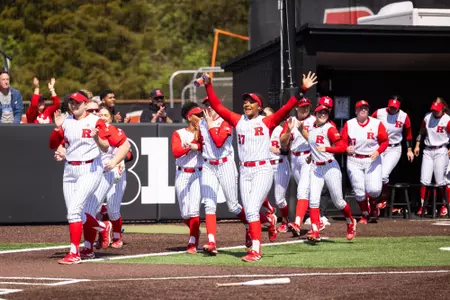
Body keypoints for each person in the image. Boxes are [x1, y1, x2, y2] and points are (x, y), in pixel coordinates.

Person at [203, 71, 317, 262]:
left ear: (259, 106)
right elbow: (216, 105)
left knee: (252, 209)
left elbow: (287, 107)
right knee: (249, 211)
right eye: (245, 101)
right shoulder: (237, 120)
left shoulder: (267, 121)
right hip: (245, 171)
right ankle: (267, 225)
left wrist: (303, 89)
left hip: (262, 169)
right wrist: (208, 85)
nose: (247, 104)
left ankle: (256, 249)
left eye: (251, 101)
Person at [49, 92, 113, 264]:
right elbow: (53, 144)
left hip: (90, 167)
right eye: (71, 102)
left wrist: (96, 138)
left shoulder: (95, 120)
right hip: (70, 169)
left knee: (74, 211)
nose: (74, 105)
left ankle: (74, 252)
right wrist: (57, 128)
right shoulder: (66, 121)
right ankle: (102, 226)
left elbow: (106, 147)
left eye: (77, 103)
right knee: (75, 213)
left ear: (85, 104)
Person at [294, 104, 356, 242]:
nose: (323, 115)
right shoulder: (312, 129)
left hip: (330, 166)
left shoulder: (330, 128)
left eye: (326, 113)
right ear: (315, 114)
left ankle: (350, 221)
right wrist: (312, 155)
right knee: (314, 201)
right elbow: (314, 146)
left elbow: (342, 147)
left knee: (338, 202)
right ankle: (315, 231)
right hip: (316, 168)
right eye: (320, 113)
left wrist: (328, 148)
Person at [199, 96, 251, 255]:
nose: (209, 108)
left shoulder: (225, 120)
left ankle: (250, 225)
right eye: (206, 105)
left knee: (233, 206)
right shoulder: (202, 122)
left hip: (225, 164)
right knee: (209, 204)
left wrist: (209, 125)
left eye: (212, 105)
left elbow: (219, 141)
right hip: (208, 165)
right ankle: (211, 242)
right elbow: (203, 143)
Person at [341, 100, 389, 224]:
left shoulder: (376, 123)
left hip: (371, 158)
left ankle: (373, 204)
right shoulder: (349, 124)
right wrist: (345, 148)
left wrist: (378, 151)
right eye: (360, 108)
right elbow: (341, 142)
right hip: (354, 160)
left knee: (374, 190)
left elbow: (385, 141)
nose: (363, 110)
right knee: (359, 191)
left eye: (366, 108)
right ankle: (365, 214)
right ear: (356, 111)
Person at [280, 97, 316, 236]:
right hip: (294, 157)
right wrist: (289, 131)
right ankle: (316, 222)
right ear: (296, 107)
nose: (305, 108)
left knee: (302, 190)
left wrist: (302, 131)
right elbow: (283, 143)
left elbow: (316, 141)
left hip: (308, 156)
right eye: (302, 106)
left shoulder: (314, 120)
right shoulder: (291, 120)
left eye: (307, 106)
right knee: (307, 191)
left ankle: (298, 223)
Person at [171, 102, 204, 254]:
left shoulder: (205, 131)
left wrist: (196, 141)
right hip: (182, 173)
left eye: (202, 115)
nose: (200, 117)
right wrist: (191, 145)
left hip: (198, 172)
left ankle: (192, 241)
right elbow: (176, 152)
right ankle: (195, 231)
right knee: (185, 213)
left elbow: (205, 147)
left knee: (194, 209)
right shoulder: (179, 133)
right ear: (189, 117)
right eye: (198, 115)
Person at [372, 96, 414, 210]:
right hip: (379, 146)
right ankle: (374, 199)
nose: (392, 109)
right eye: (391, 107)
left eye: (394, 107)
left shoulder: (404, 116)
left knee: (384, 175)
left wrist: (409, 149)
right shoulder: (379, 112)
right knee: (374, 174)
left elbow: (408, 133)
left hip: (394, 148)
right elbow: (368, 124)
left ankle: (383, 198)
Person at [414, 100, 450, 217]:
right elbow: (421, 131)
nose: (434, 112)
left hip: (441, 149)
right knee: (424, 179)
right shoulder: (427, 117)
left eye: (437, 110)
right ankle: (423, 206)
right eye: (433, 109)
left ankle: (445, 205)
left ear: (442, 109)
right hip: (428, 150)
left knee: (440, 181)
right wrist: (417, 144)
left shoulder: (447, 119)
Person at [262, 107, 291, 234]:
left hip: (280, 164)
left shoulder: (280, 130)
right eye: (264, 115)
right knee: (257, 193)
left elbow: (288, 149)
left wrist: (278, 150)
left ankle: (285, 221)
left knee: (280, 199)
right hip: (266, 165)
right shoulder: (260, 130)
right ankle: (270, 210)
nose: (266, 117)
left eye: (268, 115)